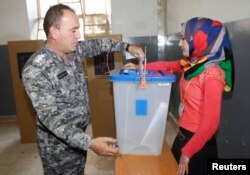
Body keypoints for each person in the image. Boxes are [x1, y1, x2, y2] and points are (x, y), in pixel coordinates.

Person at [22, 4, 145, 175]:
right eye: (73, 30)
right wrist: (90, 143)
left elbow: (101, 44)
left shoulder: (74, 52)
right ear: (54, 32)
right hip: (58, 149)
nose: (78, 35)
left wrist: (127, 47)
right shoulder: (36, 69)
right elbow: (52, 119)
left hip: (79, 139)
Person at [124, 17, 234, 175]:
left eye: (184, 38)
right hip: (182, 136)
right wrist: (140, 67)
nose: (179, 43)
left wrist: (187, 153)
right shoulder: (193, 64)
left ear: (200, 39)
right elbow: (168, 66)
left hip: (198, 146)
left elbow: (211, 123)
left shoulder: (213, 75)